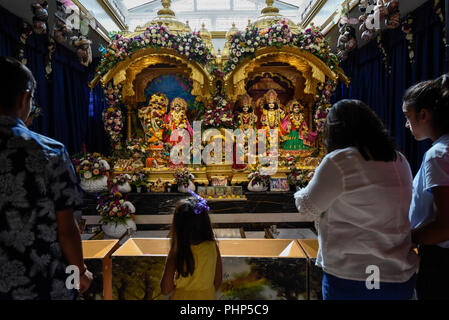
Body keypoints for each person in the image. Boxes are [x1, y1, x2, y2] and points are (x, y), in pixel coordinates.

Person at [294, 99, 419, 300]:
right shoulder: (399, 159)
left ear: (334, 131)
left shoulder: (340, 160)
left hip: (354, 275)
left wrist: (306, 187)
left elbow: (307, 207)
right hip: (398, 274)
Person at [0, 56, 92, 300]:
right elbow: (67, 230)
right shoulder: (48, 152)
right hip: (43, 283)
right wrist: (79, 273)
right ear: (24, 98)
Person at [402, 74, 449, 300]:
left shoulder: (437, 154)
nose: (406, 124)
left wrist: (403, 238)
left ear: (423, 114)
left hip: (440, 261)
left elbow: (444, 226)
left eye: (407, 116)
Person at [160, 190, 222, 300]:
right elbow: (217, 281)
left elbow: (165, 289)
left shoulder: (177, 250)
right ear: (205, 222)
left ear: (178, 226)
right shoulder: (213, 246)